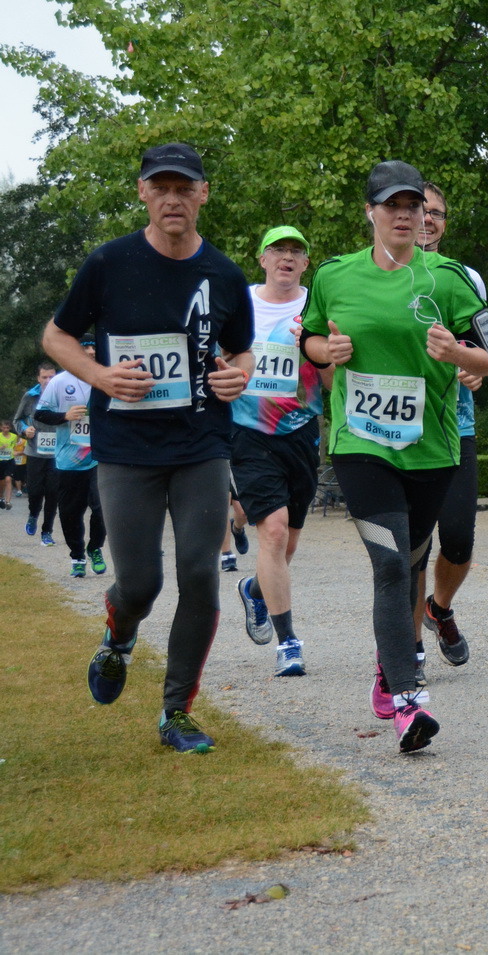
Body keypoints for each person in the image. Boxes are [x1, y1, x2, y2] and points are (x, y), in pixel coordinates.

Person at [46, 142, 255, 754]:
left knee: (200, 573)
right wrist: (101, 376)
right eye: (160, 187)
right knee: (139, 583)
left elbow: (241, 349)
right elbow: (57, 336)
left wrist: (237, 374)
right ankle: (118, 639)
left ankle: (176, 713)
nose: (172, 198)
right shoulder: (109, 263)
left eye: (184, 187)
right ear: (142, 192)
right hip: (127, 448)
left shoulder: (223, 274)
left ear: (202, 195)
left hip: (201, 444)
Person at [301, 161, 488, 754]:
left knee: (413, 564)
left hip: (433, 449)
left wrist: (460, 355)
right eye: (394, 205)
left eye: (414, 206)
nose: (406, 215)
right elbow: (307, 340)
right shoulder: (335, 276)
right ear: (371, 212)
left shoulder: (448, 278)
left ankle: (389, 671)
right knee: (389, 567)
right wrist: (324, 349)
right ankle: (410, 704)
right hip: (361, 444)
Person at [229, 225, 330, 678]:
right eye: (278, 250)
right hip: (247, 431)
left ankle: (255, 588)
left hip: (301, 429)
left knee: (287, 541)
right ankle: (288, 642)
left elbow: (332, 379)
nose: (287, 258)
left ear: (306, 263)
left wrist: (319, 355)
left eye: (296, 251)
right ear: (263, 259)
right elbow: (218, 360)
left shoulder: (316, 305)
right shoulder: (240, 303)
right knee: (271, 532)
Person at [412, 182, 486, 672]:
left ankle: (437, 608)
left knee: (458, 539)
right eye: (418, 210)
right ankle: (407, 643)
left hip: (454, 425)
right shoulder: (366, 276)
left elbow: (487, 346)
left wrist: (476, 367)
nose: (426, 220)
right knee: (412, 546)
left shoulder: (465, 278)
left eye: (436, 213)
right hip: (395, 433)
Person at [33, 337, 107, 578]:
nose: (91, 351)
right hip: (69, 459)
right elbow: (41, 414)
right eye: (86, 347)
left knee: (102, 508)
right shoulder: (60, 381)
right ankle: (77, 555)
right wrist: (65, 416)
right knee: (70, 513)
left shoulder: (107, 376)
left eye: (95, 347)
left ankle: (95, 547)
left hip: (101, 456)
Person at [16, 360, 60, 543]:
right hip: (35, 452)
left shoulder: (64, 395)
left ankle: (46, 531)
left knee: (53, 492)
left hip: (58, 454)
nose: (49, 380)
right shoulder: (30, 397)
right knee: (35, 491)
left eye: (52, 377)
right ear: (38, 378)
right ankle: (33, 514)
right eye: (45, 377)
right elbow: (18, 420)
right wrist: (25, 430)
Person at [0, 422, 18, 509]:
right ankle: (1, 498)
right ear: (1, 428)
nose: (6, 429)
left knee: (8, 479)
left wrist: (14, 452)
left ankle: (8, 501)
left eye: (7, 427)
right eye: (4, 427)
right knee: (2, 482)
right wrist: (1, 448)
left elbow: (13, 447)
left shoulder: (14, 436)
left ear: (10, 428)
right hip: (0, 461)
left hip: (10, 460)